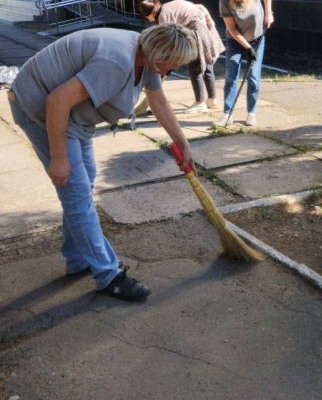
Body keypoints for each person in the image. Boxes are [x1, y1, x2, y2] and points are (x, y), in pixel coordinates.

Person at [8, 24, 197, 301]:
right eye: (176, 61)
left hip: (73, 118)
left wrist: (183, 143)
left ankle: (78, 259)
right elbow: (57, 101)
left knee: (83, 184)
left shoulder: (146, 58)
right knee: (77, 192)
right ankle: (109, 275)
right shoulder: (117, 61)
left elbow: (159, 102)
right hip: (39, 108)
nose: (177, 67)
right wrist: (59, 158)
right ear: (161, 52)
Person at [137, 0, 225, 113]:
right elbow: (200, 6)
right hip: (204, 29)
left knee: (195, 68)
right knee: (208, 67)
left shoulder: (164, 16)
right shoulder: (168, 5)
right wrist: (209, 20)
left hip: (196, 32)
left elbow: (169, 41)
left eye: (147, 16)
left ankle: (200, 103)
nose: (148, 19)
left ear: (151, 13)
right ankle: (212, 100)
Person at [218, 0, 273, 127]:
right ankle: (227, 114)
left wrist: (268, 13)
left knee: (253, 76)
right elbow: (232, 29)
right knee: (231, 75)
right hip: (235, 40)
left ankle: (251, 113)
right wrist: (247, 47)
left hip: (257, 38)